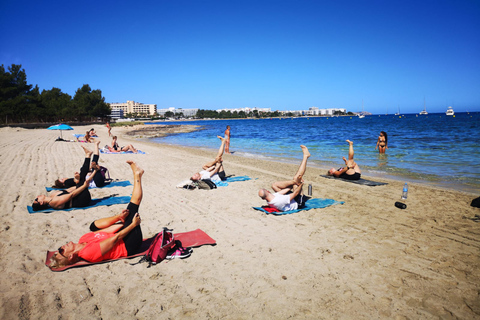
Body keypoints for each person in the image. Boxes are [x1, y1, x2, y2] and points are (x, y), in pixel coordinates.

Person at [48, 160, 144, 269]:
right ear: (70, 256)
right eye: (61, 250)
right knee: (132, 206)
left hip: (121, 237)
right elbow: (116, 238)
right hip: (128, 246)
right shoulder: (88, 253)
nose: (62, 246)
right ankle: (137, 175)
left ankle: (120, 216)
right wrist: (132, 225)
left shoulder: (83, 238)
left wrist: (122, 221)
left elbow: (108, 231)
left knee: (93, 226)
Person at [32, 146, 100, 211]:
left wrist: (78, 184)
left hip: (78, 195)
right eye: (36, 199)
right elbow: (71, 195)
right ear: (41, 203)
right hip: (82, 200)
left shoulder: (52, 195)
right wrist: (83, 186)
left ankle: (88, 155)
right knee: (82, 176)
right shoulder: (54, 202)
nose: (37, 196)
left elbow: (69, 190)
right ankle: (88, 155)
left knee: (81, 177)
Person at [258, 145, 310, 212]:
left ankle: (294, 181)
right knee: (296, 178)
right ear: (268, 191)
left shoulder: (272, 197)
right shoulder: (279, 201)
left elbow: (285, 191)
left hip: (289, 198)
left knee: (274, 185)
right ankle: (305, 156)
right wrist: (300, 184)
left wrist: (294, 183)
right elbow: (295, 193)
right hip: (298, 203)